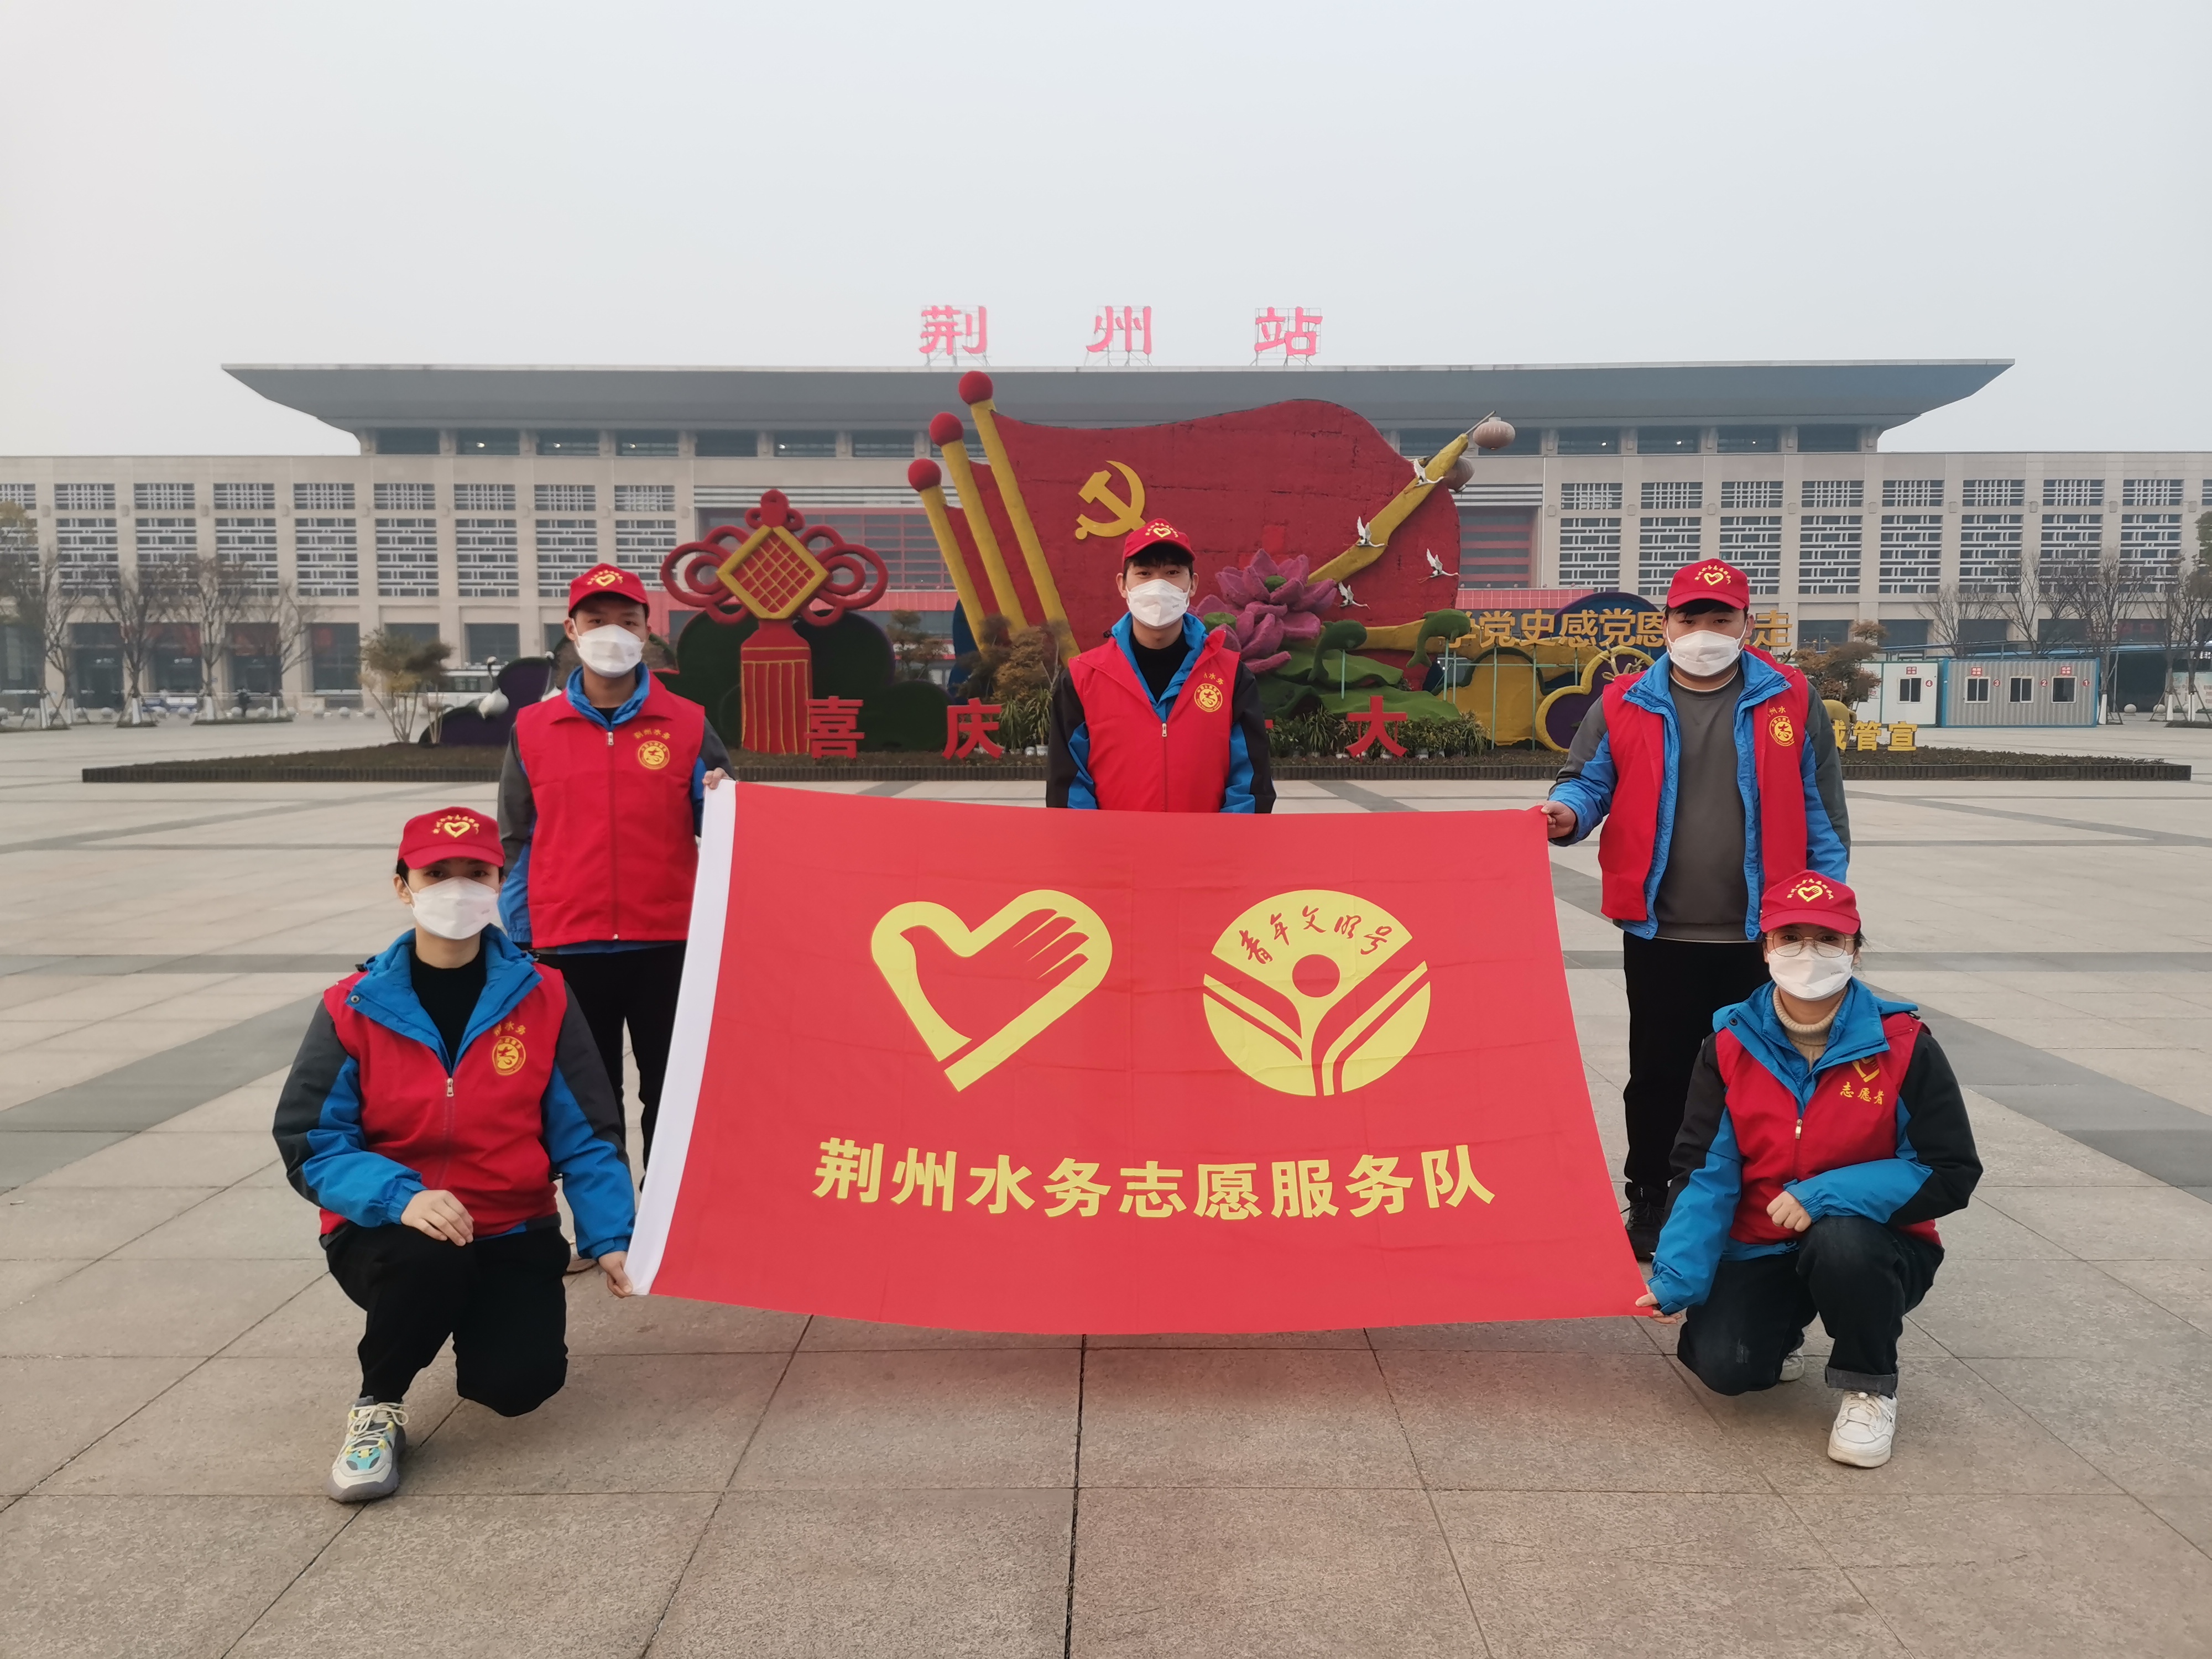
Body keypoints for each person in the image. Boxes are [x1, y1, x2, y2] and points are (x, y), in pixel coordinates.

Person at [272, 806, 637, 1503]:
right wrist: (400, 1196)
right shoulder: (354, 1006)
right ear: (403, 887)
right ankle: (377, 1406)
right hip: (391, 1232)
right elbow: (309, 1141)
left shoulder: (545, 996)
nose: (457, 889)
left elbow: (588, 1131)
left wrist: (610, 1235)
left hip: (512, 1227)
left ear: (501, 882)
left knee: (517, 1384)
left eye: (476, 873)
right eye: (436, 874)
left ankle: (464, 1307)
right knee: (428, 1260)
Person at [1541, 557, 1849, 1256]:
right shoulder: (1623, 701)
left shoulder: (1791, 699)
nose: (1704, 631)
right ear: (1665, 625)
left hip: (1764, 934)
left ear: (1746, 624)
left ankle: (1759, 1199)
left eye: (1720, 618)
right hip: (1661, 931)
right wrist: (1567, 813)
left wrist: (1822, 916)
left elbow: (1823, 812)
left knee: (1765, 1071)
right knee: (1659, 1075)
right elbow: (1586, 781)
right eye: (1690, 617)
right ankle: (1652, 1199)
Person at [1636, 872, 1980, 1468]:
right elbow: (1704, 1169)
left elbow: (1949, 1170)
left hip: (1874, 1245)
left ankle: (1869, 1387)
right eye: (1790, 937)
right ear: (1765, 947)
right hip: (1761, 1241)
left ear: (1855, 950)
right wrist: (1677, 1275)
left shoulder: (1905, 1044)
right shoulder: (1729, 1044)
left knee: (1841, 1242)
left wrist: (1823, 1195)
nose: (1808, 953)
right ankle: (1785, 1326)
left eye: (1828, 940)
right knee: (1725, 1367)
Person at [499, 563, 728, 1168]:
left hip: (668, 942)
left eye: (627, 621)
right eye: (597, 620)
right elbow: (516, 836)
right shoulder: (533, 729)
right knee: (586, 1099)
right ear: (571, 629)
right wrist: (523, 932)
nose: (612, 633)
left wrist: (720, 798)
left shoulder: (688, 722)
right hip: (568, 943)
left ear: (646, 632)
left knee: (672, 1093)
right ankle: (606, 1219)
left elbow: (725, 831)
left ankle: (663, 1217)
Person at [1046, 519, 1275, 813]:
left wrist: (1221, 841)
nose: (1158, 586)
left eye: (1172, 573)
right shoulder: (1082, 678)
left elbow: (1250, 785)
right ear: (1123, 585)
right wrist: (1099, 842)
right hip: (1115, 844)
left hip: (1205, 843)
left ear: (1192, 584)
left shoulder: (1232, 677)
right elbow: (1068, 787)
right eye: (1144, 573)